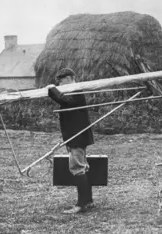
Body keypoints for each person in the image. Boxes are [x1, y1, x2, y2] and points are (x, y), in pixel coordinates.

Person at [46, 68, 94, 214]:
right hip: (76, 136)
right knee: (82, 167)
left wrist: (51, 90)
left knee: (77, 168)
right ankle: (88, 201)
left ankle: (81, 205)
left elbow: (64, 101)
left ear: (69, 78)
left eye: (61, 81)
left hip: (77, 136)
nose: (60, 84)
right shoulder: (73, 91)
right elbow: (64, 101)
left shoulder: (76, 90)